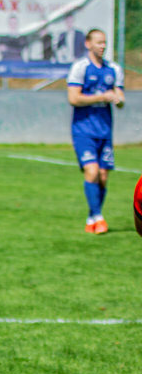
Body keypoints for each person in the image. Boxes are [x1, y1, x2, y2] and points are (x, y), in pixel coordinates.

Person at [67, 28, 125, 234]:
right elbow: (73, 98)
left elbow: (120, 100)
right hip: (83, 130)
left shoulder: (114, 69)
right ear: (88, 44)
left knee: (103, 176)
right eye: (99, 42)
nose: (103, 46)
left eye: (105, 42)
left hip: (105, 131)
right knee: (91, 171)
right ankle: (99, 217)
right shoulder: (80, 67)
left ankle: (92, 216)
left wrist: (117, 99)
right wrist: (101, 97)